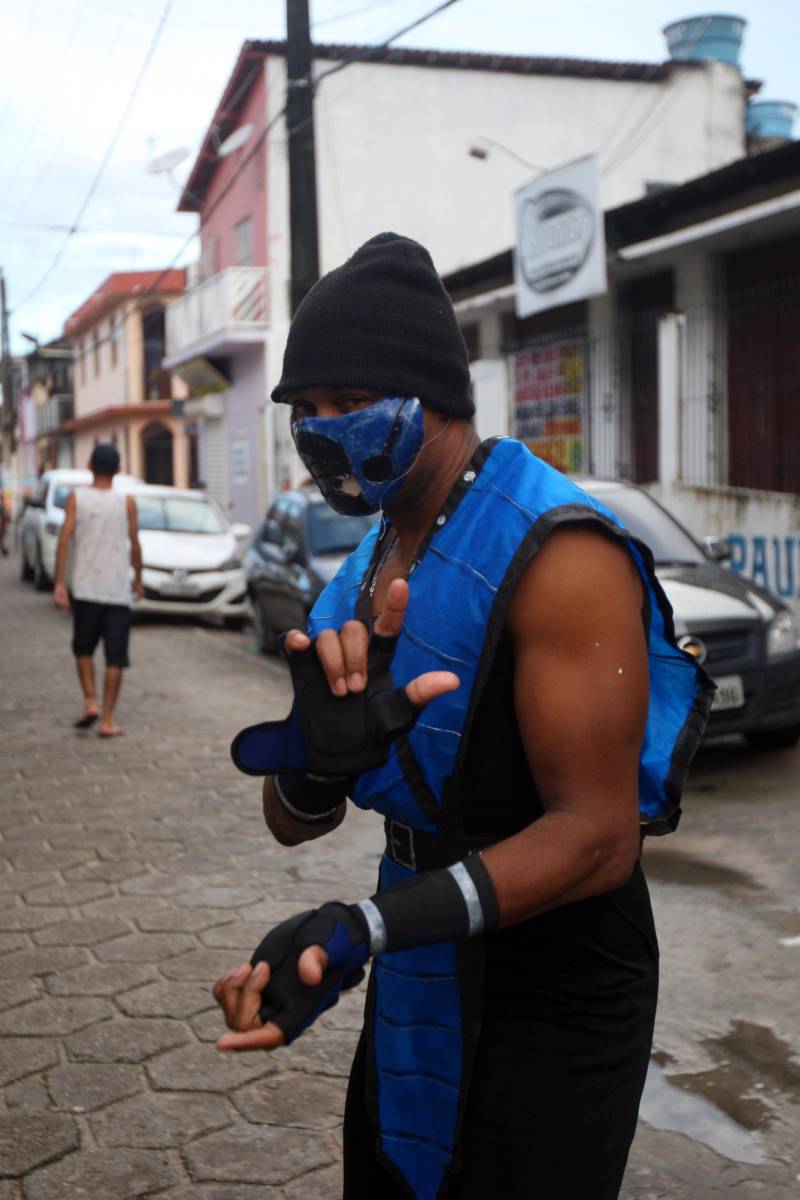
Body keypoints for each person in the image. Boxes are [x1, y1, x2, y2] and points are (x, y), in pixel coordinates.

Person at [212, 233, 713, 1200]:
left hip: (554, 979)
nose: (325, 432)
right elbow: (292, 818)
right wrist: (318, 764)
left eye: (351, 405)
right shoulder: (361, 571)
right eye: (305, 413)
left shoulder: (559, 552)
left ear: (433, 395)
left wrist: (365, 924)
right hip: (416, 955)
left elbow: (599, 839)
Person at [53, 443, 142, 736]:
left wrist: (59, 583)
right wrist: (138, 578)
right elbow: (135, 543)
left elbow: (64, 539)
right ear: (118, 469)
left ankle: (90, 700)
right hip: (117, 590)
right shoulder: (126, 502)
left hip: (86, 587)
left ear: (90, 466)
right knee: (116, 657)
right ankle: (107, 719)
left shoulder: (76, 498)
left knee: (83, 647)